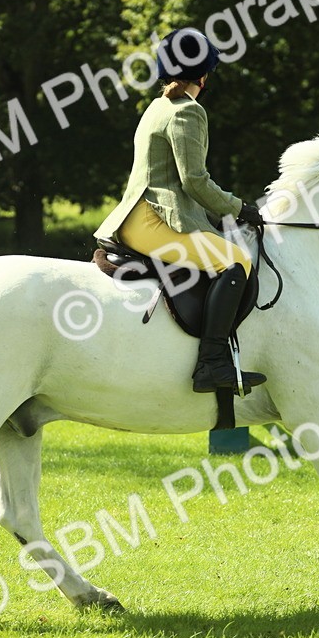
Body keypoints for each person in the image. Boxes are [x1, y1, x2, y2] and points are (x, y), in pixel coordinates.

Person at [94, 28, 265, 393]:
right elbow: (194, 181)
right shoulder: (189, 111)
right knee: (235, 262)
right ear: (203, 75)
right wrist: (239, 207)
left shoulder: (157, 108)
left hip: (135, 217)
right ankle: (212, 364)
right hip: (155, 219)